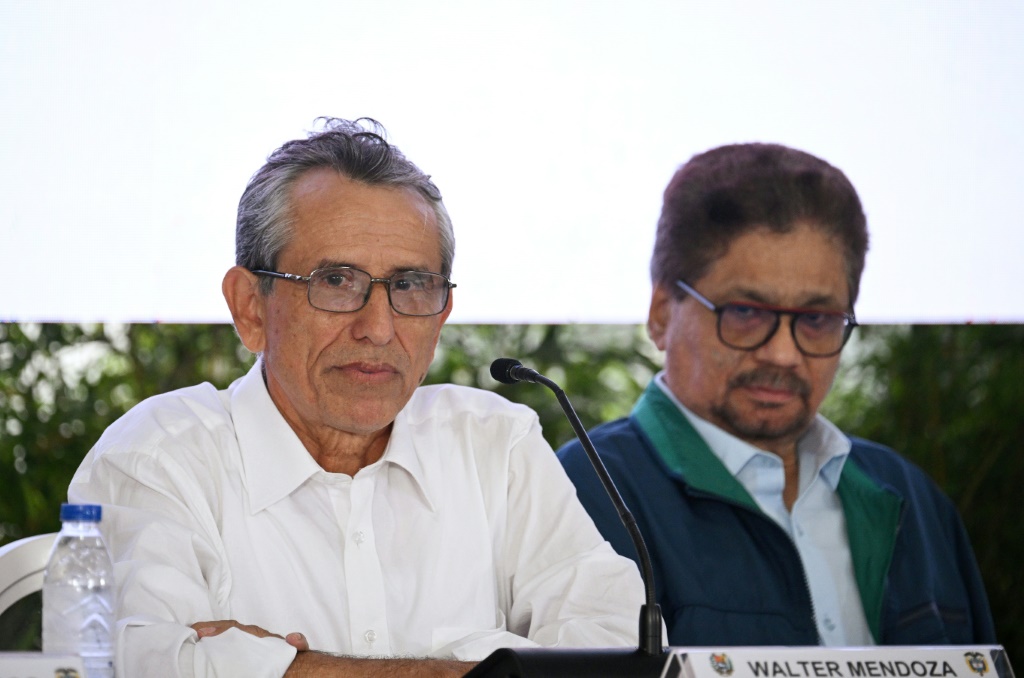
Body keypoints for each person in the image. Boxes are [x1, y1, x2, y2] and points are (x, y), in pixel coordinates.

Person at [68, 118, 645, 677]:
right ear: (250, 307)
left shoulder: (494, 445)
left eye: (409, 285)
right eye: (336, 281)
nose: (378, 328)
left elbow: (618, 649)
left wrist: (288, 670)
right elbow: (143, 667)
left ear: (441, 313)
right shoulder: (156, 459)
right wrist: (484, 666)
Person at [557, 143, 996, 648]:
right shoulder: (583, 492)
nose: (783, 354)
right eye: (746, 312)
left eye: (817, 319)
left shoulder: (909, 496)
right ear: (661, 314)